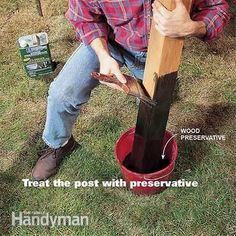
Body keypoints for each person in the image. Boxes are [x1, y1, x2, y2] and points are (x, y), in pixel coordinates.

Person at [32, 0, 230, 180]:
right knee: (62, 94)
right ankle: (59, 144)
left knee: (151, 107)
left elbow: (218, 9)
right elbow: (84, 18)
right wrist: (103, 56)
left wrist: (193, 27)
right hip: (109, 42)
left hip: (155, 52)